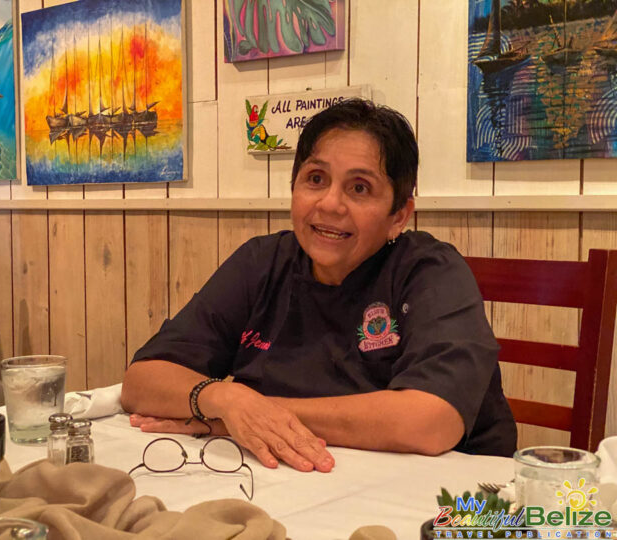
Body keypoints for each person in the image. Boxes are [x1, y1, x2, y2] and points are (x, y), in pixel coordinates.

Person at [121, 98, 517, 473]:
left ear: (399, 215)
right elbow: (141, 382)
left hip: (446, 497)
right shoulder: (261, 262)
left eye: (359, 188)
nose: (329, 204)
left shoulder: (429, 271)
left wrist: (253, 416)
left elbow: (430, 422)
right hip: (287, 480)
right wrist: (224, 399)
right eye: (315, 179)